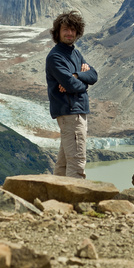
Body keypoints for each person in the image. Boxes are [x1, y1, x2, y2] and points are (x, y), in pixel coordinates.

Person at [45, 10, 98, 179]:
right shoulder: (55, 57)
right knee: (77, 161)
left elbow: (94, 75)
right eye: (66, 30)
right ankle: (75, 202)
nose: (69, 33)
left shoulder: (74, 53)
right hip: (70, 113)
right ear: (57, 32)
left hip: (76, 111)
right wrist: (79, 81)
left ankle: (55, 199)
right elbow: (71, 85)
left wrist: (76, 76)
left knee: (64, 163)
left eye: (73, 30)